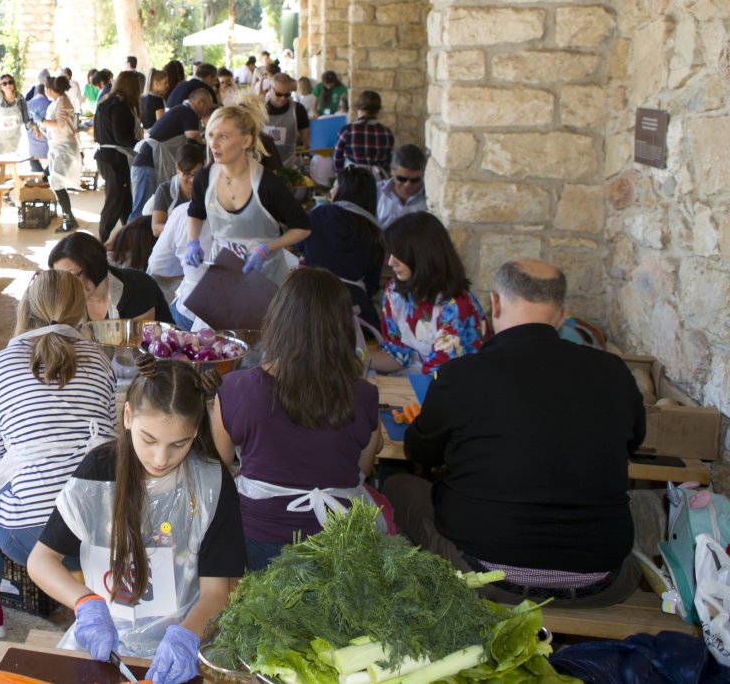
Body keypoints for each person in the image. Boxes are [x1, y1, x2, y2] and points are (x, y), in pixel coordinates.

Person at [387, 260, 644, 607]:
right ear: (562, 315)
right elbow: (634, 441)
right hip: (602, 581)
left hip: (485, 574)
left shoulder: (462, 375)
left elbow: (420, 451)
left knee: (395, 483)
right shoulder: (614, 373)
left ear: (495, 303)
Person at [28, 353, 245, 680]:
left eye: (178, 444)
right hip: (104, 641)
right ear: (128, 416)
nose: (160, 458)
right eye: (149, 439)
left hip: (182, 640)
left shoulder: (212, 484)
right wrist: (85, 603)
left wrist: (187, 637)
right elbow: (40, 560)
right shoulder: (98, 472)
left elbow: (216, 591)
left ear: (195, 431)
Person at [0, 272, 115, 640]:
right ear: (80, 311)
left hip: (26, 534)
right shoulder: (100, 361)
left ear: (25, 307)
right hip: (97, 530)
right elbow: (106, 447)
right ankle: (85, 589)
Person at [211, 268, 382, 569]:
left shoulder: (235, 388)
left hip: (256, 542)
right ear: (342, 327)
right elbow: (363, 468)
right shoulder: (365, 394)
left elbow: (221, 461)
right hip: (337, 545)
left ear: (277, 320)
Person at [181, 105, 312, 290]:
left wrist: (268, 248)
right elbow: (196, 212)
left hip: (265, 274)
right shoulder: (205, 179)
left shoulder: (267, 184)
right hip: (223, 271)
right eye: (210, 135)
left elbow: (302, 228)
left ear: (246, 141)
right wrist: (192, 241)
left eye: (223, 136)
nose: (213, 144)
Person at [372, 211, 486, 373]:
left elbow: (441, 374)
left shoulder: (456, 306)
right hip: (417, 381)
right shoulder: (395, 292)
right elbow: (397, 353)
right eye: (390, 253)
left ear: (422, 254)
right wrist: (355, 360)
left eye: (398, 253)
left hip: (450, 384)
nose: (390, 262)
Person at [301, 167, 386, 332]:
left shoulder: (317, 215)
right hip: (354, 314)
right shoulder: (375, 232)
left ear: (342, 190)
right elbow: (372, 286)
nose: (331, 191)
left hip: (311, 305)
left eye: (335, 186)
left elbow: (299, 245)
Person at [128, 83, 216, 223]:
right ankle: (130, 237)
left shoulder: (181, 110)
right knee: (139, 213)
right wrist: (209, 145)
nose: (206, 113)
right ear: (200, 102)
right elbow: (193, 139)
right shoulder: (189, 113)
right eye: (208, 107)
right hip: (146, 165)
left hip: (147, 163)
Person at [49, 231, 175, 325]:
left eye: (74, 275)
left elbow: (139, 345)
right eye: (60, 277)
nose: (66, 285)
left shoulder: (138, 288)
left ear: (94, 265)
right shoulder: (67, 296)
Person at [92, 71, 141, 241]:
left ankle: (129, 235)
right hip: (114, 158)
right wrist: (140, 144)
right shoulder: (119, 106)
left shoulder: (106, 102)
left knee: (124, 199)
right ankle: (102, 240)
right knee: (115, 200)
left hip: (105, 156)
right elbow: (121, 137)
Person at [41, 75, 83, 232]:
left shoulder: (63, 102)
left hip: (64, 147)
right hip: (56, 146)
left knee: (57, 182)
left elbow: (61, 124)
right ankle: (68, 217)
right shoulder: (56, 102)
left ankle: (69, 218)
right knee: (56, 182)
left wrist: (43, 121)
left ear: (50, 89)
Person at [332, 90, 395, 174]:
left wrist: (340, 176)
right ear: (378, 110)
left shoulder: (346, 131)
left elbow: (336, 162)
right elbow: (388, 162)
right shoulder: (387, 133)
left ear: (358, 108)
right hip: (377, 179)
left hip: (351, 177)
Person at [149, 142, 204, 238]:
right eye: (187, 173)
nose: (192, 179)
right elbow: (156, 228)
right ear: (177, 168)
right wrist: (182, 229)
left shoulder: (208, 190)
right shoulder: (164, 190)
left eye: (196, 174)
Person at [377, 144, 429, 227]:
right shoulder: (376, 192)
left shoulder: (429, 197)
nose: (407, 185)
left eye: (414, 180)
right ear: (392, 170)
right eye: (402, 179)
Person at [262, 73, 309, 159]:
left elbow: (306, 140)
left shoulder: (298, 110)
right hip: (263, 162)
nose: (283, 98)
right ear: (270, 89)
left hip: (289, 162)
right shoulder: (258, 109)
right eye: (279, 94)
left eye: (287, 94)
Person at [0, 73, 30, 158]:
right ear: (0, 86)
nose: (8, 85)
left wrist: (34, 127)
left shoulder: (20, 99)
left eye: (10, 82)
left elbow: (26, 120)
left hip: (14, 139)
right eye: (4, 83)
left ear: (14, 84)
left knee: (12, 163)